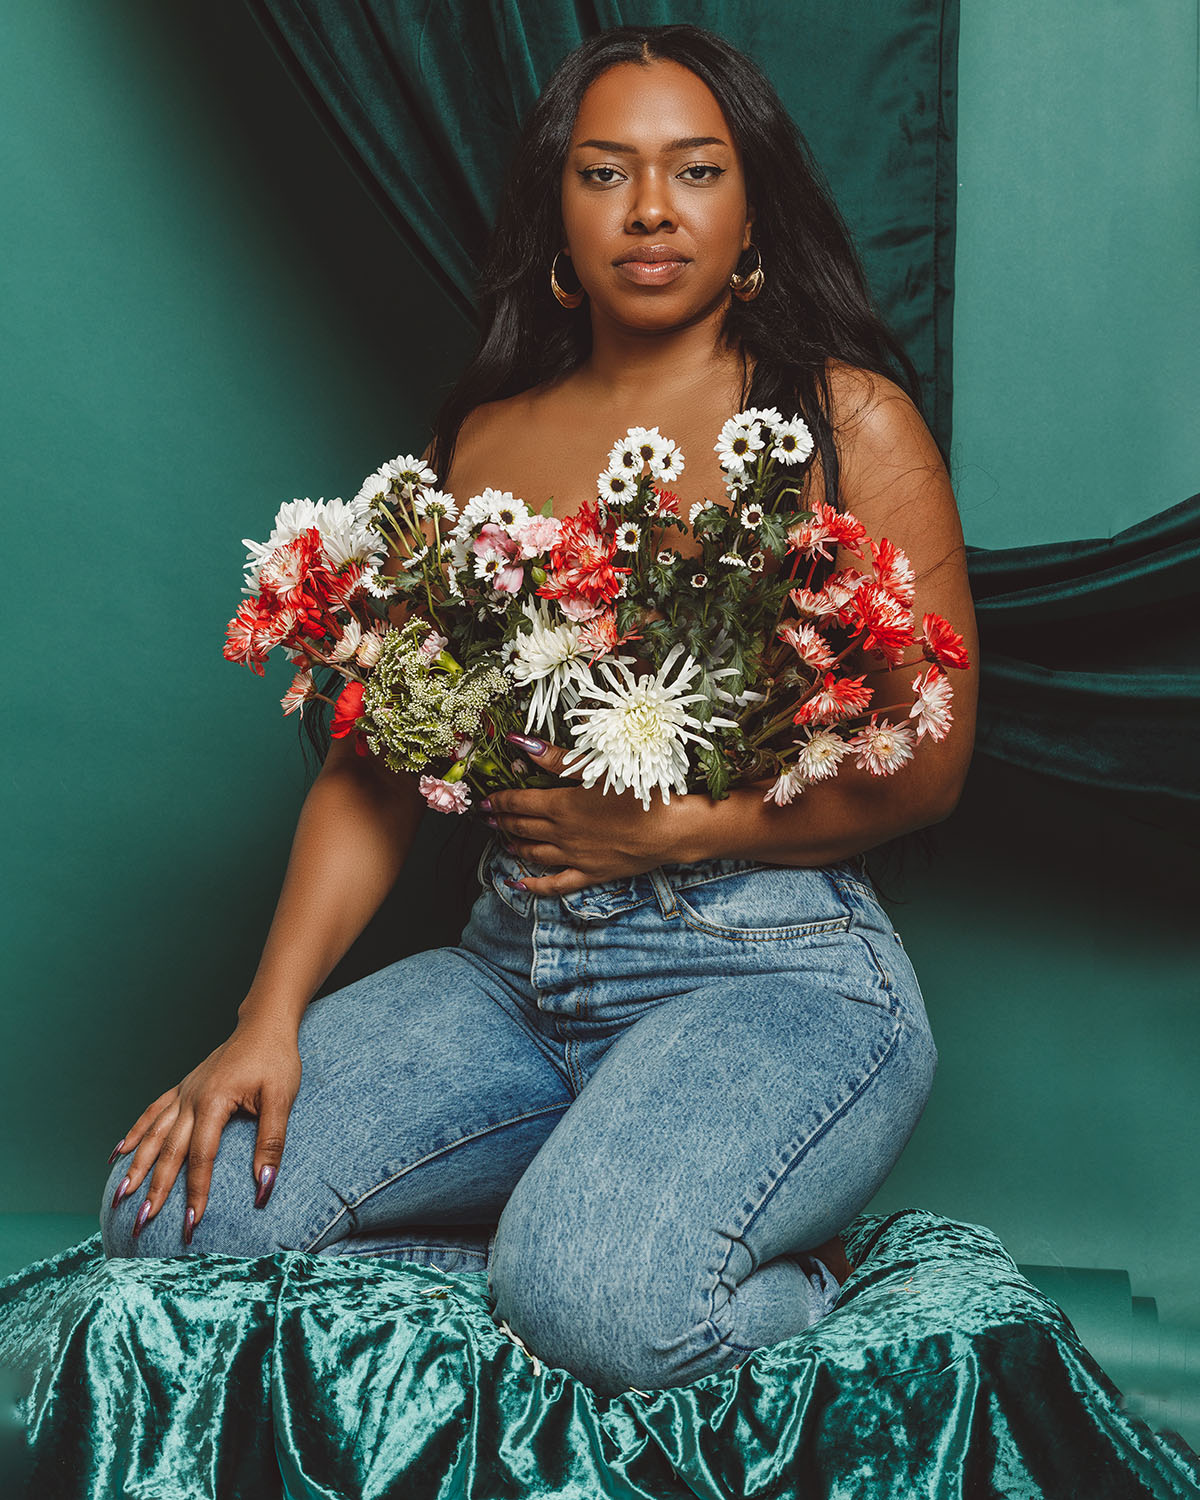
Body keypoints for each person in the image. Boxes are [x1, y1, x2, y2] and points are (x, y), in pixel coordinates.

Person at [100, 24, 979, 1397]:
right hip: (511, 974)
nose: (650, 209)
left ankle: (713, 1271)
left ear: (752, 210)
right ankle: (577, 1240)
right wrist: (265, 1020)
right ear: (558, 212)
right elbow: (377, 764)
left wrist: (672, 830)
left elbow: (929, 765)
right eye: (605, 172)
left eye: (696, 171)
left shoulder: (846, 420)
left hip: (769, 971)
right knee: (170, 1217)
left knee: (607, 1307)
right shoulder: (482, 440)